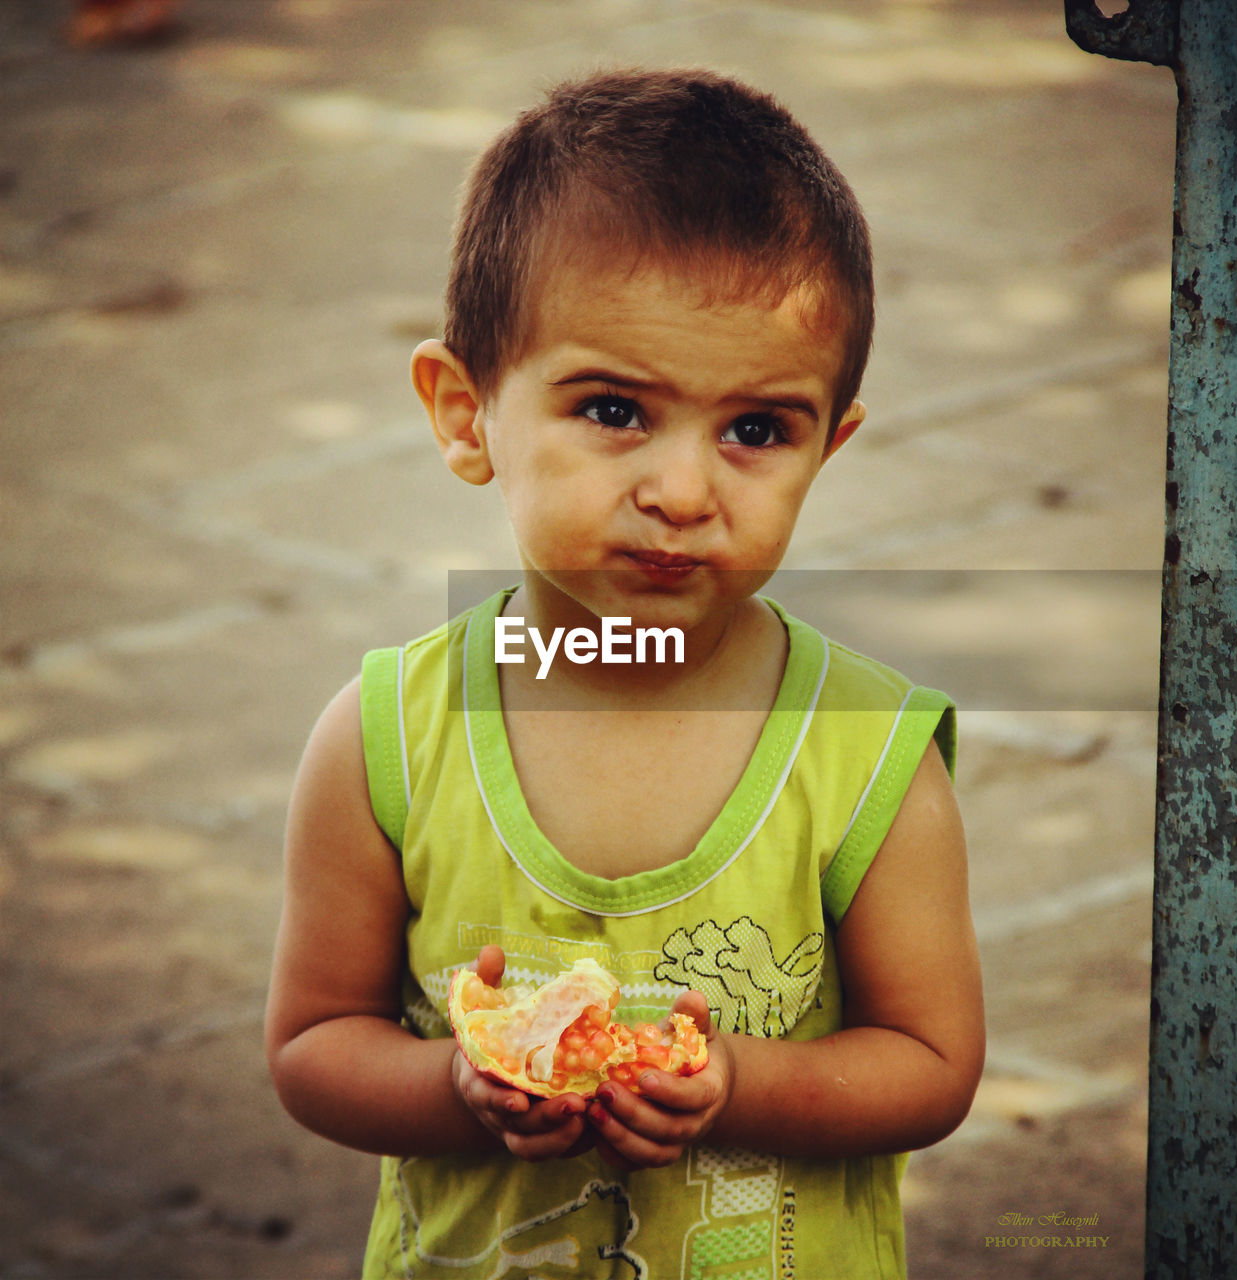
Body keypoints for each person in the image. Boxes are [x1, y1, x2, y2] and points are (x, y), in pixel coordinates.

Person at [265, 67, 985, 1279]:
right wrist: (460, 1080)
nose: (683, 491)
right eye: (612, 408)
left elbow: (929, 1062)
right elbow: (310, 1044)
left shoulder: (865, 754)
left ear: (830, 443)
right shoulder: (387, 736)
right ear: (465, 412)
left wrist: (736, 1083)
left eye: (757, 428)